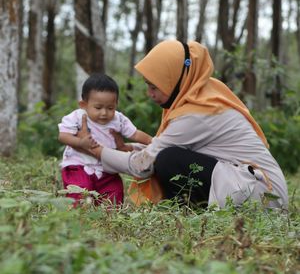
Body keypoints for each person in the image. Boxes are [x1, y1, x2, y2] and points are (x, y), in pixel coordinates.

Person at [77, 40, 288, 210]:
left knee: (169, 159)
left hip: (264, 197)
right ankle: (188, 210)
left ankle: (186, 210)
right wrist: (129, 148)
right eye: (148, 86)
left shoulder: (198, 114)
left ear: (175, 79)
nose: (150, 94)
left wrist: (95, 150)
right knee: (168, 156)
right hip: (254, 186)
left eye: (154, 87)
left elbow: (143, 165)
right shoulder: (201, 96)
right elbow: (160, 147)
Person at [58, 73, 152, 206]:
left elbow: (135, 134)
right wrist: (80, 142)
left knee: (115, 192)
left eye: (110, 108)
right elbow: (63, 135)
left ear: (116, 104)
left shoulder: (118, 119)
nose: (104, 113)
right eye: (98, 107)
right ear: (83, 104)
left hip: (106, 167)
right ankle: (79, 218)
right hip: (78, 165)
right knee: (80, 193)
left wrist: (153, 141)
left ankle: (110, 217)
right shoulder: (78, 116)